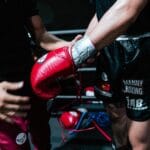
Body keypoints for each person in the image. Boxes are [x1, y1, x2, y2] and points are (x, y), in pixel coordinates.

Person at [31, 0, 150, 149]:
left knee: (139, 133)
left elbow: (128, 7)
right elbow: (104, 10)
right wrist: (88, 41)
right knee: (115, 113)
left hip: (141, 45)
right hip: (109, 44)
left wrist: (76, 54)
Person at [0, 0, 72, 149]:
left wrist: (73, 49)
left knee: (42, 141)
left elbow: (41, 35)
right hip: (4, 92)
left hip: (30, 80)